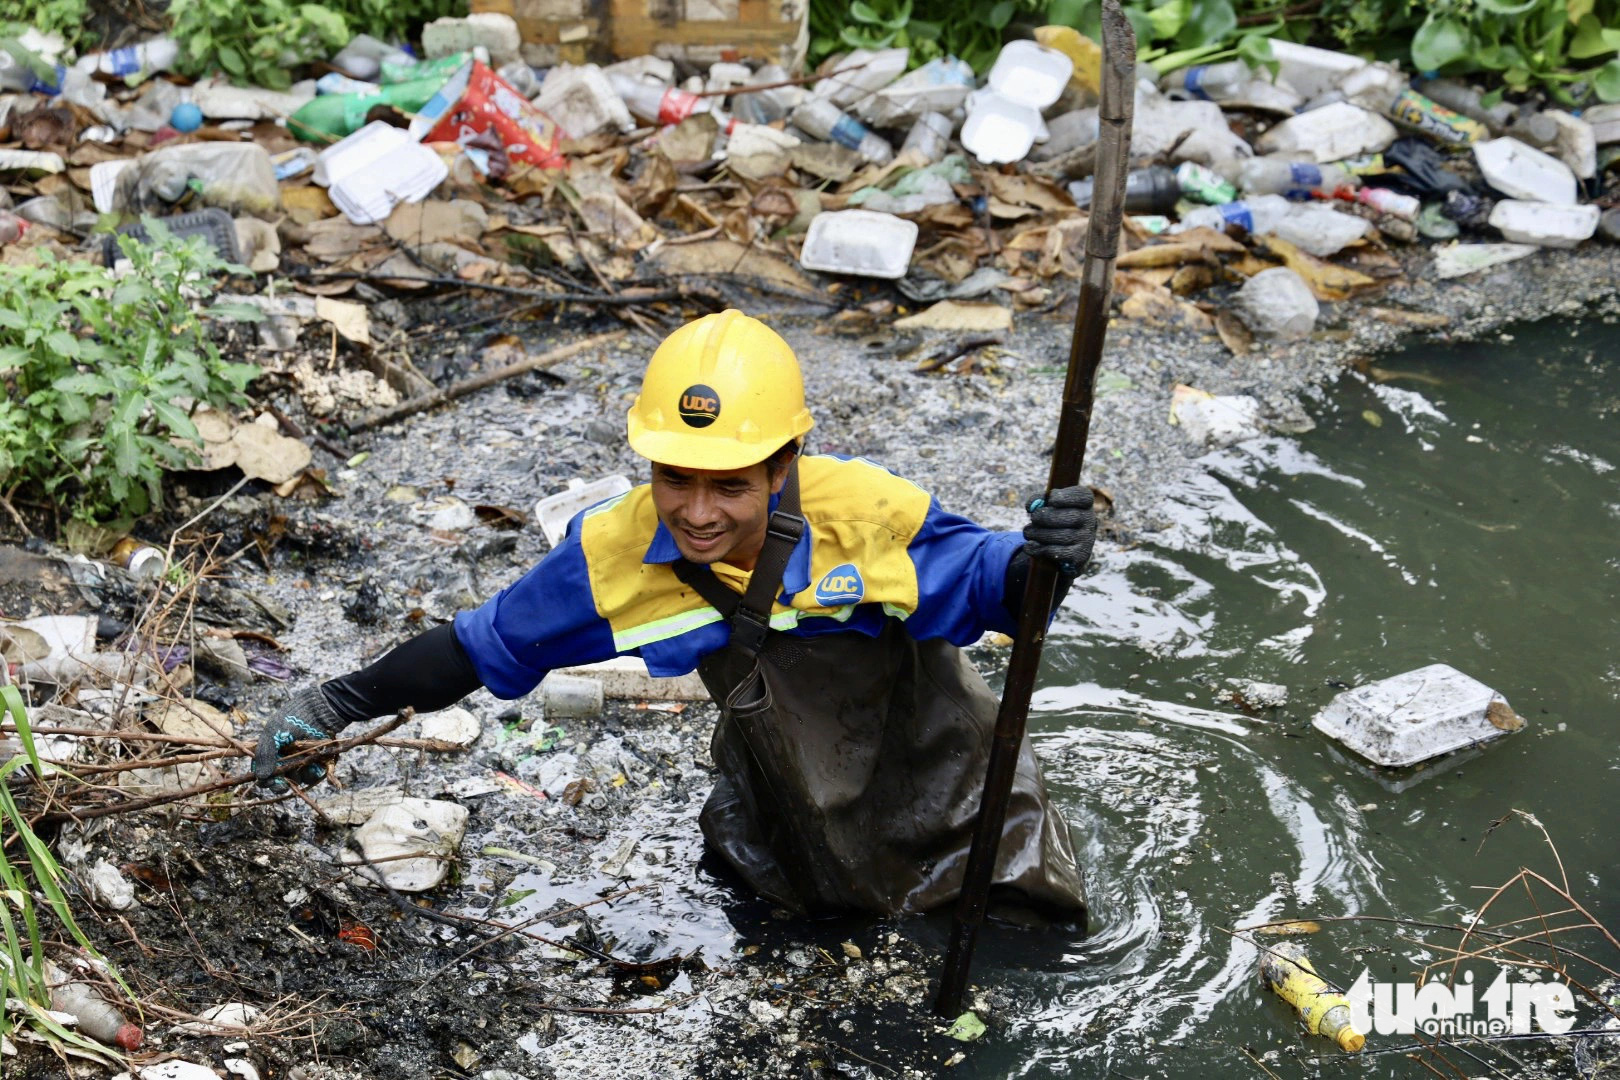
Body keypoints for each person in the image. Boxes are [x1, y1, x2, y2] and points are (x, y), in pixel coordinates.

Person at [254, 310, 1097, 919]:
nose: (695, 514)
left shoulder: (868, 514)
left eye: (729, 484)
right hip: (789, 804)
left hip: (955, 790)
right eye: (674, 478)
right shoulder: (612, 554)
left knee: (1022, 930)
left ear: (783, 466)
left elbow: (1002, 592)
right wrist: (333, 707)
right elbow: (479, 647)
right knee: (782, 915)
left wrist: (1046, 558)